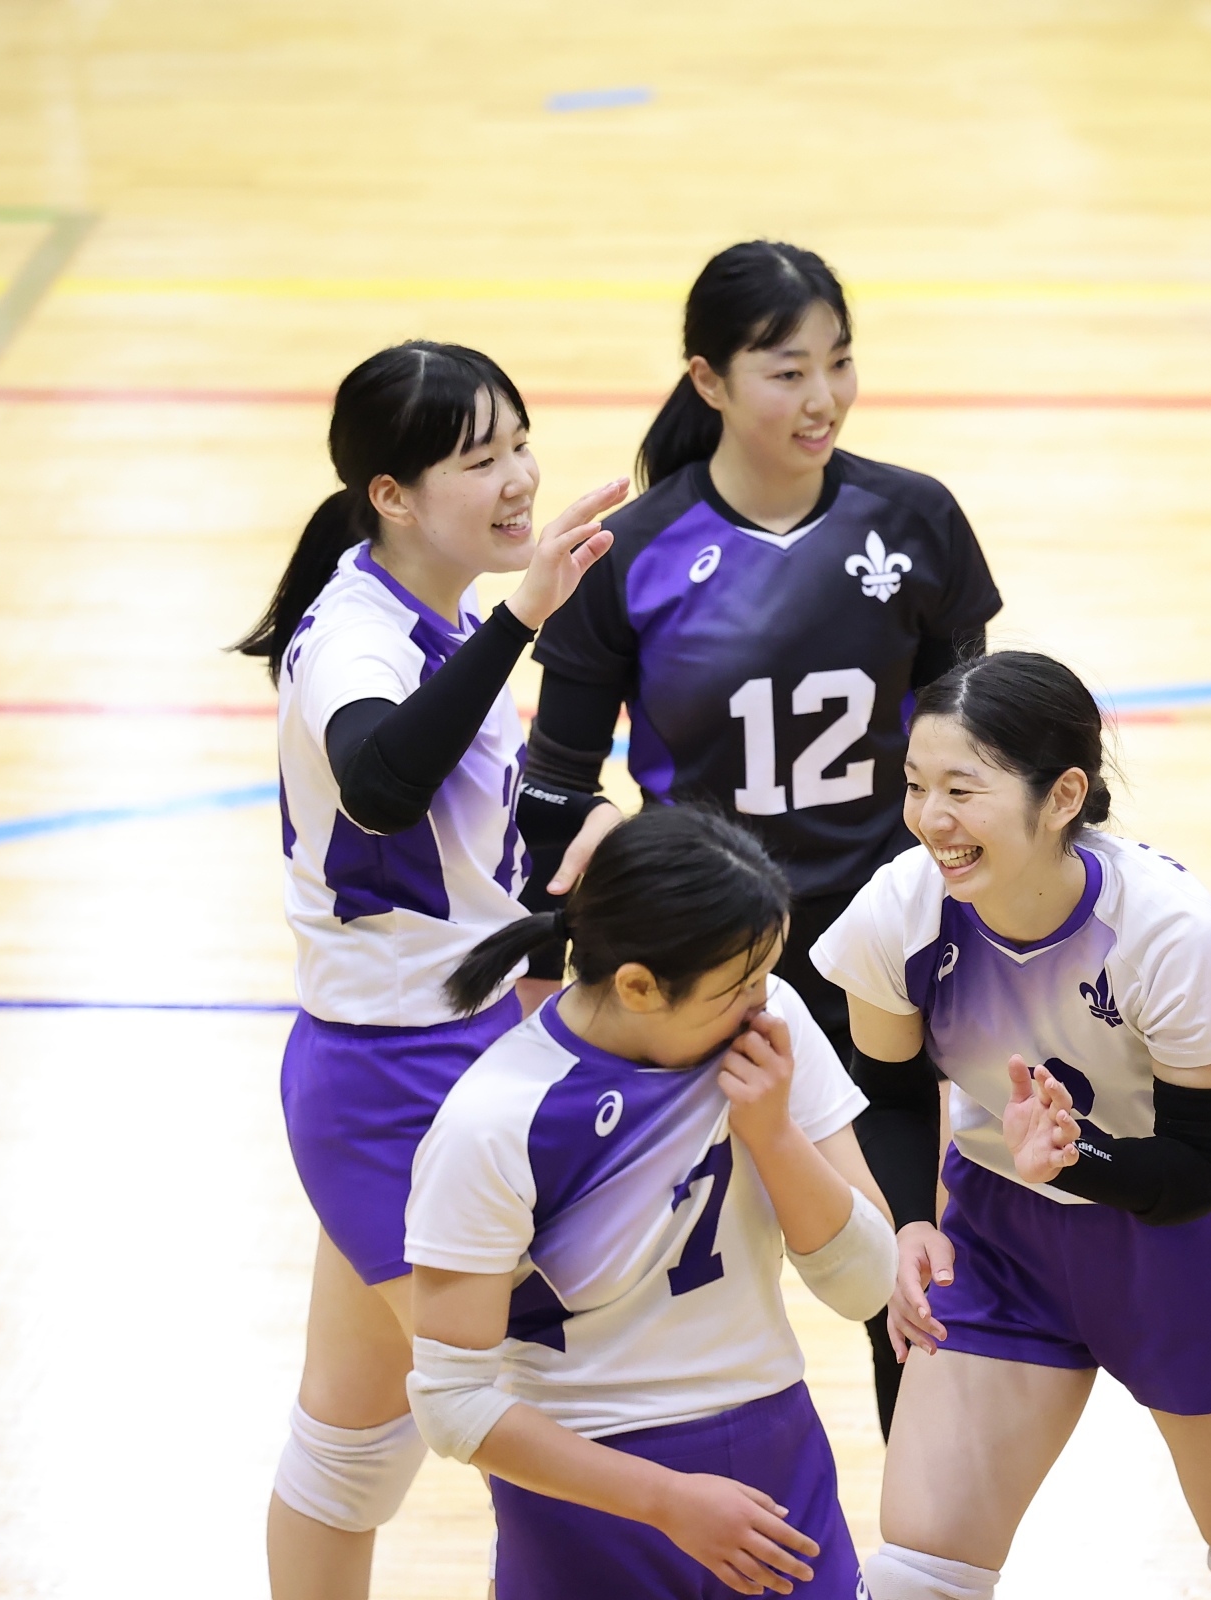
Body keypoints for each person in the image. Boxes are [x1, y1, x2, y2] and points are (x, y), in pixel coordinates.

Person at [521, 239, 1002, 1436]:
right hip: (699, 976)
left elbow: (976, 751)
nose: (824, 398)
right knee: (658, 1295)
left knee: (913, 1292)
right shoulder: (631, 554)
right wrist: (581, 865)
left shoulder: (913, 521)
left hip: (878, 962)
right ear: (709, 380)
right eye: (787, 372)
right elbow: (554, 782)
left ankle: (925, 1536)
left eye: (841, 362)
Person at [808, 649, 1211, 1600]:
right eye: (916, 785)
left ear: (1062, 796)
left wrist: (1076, 1161)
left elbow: (1199, 1163)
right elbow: (889, 1093)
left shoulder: (1170, 933)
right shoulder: (900, 909)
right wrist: (909, 1223)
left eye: (962, 790)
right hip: (994, 1238)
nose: (931, 818)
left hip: (1171, 1244)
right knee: (916, 1575)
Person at [232, 339, 626, 1598]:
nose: (518, 478)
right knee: (555, 1415)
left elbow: (465, 825)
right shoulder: (354, 638)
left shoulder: (436, 607)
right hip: (391, 1078)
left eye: (520, 443)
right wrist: (522, 621)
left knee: (348, 1450)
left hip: (458, 1044)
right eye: (479, 459)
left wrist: (579, 831)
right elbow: (386, 785)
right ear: (392, 495)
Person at [403, 805, 896, 1599]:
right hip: (589, 1497)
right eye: (737, 986)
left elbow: (869, 1285)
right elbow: (451, 1404)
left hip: (775, 1452)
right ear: (637, 985)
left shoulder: (770, 1032)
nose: (762, 1001)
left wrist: (774, 1135)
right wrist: (664, 1500)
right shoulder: (494, 1121)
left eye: (766, 973)